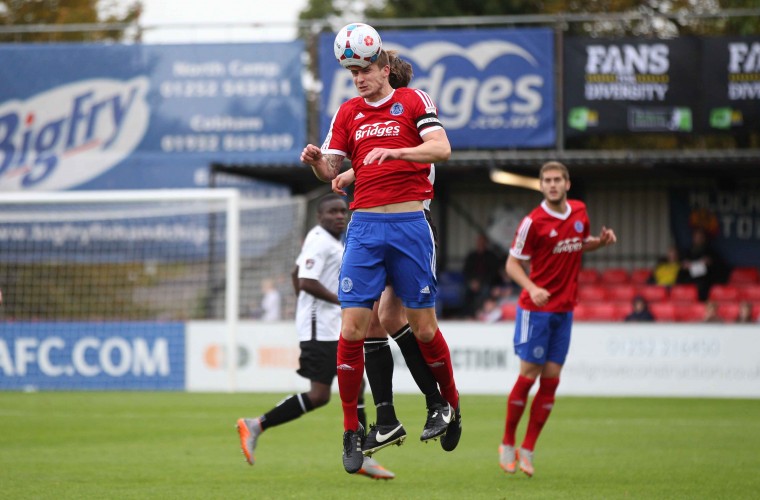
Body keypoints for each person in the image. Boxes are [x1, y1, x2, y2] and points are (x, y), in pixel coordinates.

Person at [301, 30, 462, 475]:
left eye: (365, 70)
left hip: (410, 224)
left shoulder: (412, 102)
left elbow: (442, 148)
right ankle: (355, 429)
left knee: (420, 328)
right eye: (352, 72)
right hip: (366, 227)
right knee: (355, 327)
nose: (358, 79)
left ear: (384, 68)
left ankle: (447, 403)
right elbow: (331, 169)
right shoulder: (348, 113)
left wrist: (396, 153)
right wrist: (318, 161)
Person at [236, 194, 394, 480]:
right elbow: (306, 281)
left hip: (331, 325)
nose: (339, 215)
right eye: (332, 211)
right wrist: (343, 302)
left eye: (342, 211)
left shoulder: (332, 241)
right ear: (319, 216)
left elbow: (297, 272)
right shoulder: (319, 240)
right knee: (322, 393)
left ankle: (360, 455)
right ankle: (255, 424)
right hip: (319, 328)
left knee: (353, 384)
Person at [498, 161, 617, 477]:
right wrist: (532, 287)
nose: (552, 185)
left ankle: (529, 449)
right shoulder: (532, 222)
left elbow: (578, 244)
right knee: (530, 375)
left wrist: (600, 243)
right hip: (535, 310)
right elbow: (512, 264)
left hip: (564, 310)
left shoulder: (580, 211)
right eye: (546, 180)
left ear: (567, 183)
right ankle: (507, 443)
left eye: (557, 180)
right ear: (541, 186)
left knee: (551, 380)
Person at [462, 233, 503, 317]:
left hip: (487, 282)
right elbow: (466, 271)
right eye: (479, 241)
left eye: (483, 242)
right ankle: (467, 315)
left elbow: (494, 273)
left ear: (486, 243)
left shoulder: (491, 256)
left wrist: (481, 282)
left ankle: (480, 313)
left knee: (485, 291)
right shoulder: (471, 256)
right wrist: (472, 282)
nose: (481, 243)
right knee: (464, 292)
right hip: (473, 282)